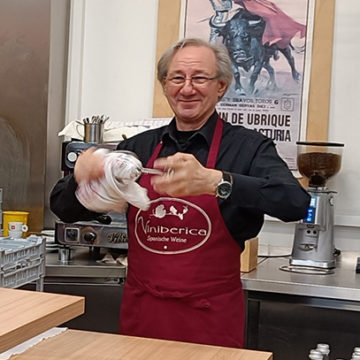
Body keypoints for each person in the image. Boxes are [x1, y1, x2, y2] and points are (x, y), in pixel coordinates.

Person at [50, 38, 310, 348]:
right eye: (177, 78)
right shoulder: (138, 148)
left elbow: (295, 203)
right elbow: (64, 210)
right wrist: (82, 175)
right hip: (143, 315)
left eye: (200, 77)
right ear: (164, 85)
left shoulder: (249, 148)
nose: (187, 89)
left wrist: (217, 182)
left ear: (222, 86)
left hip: (210, 321)